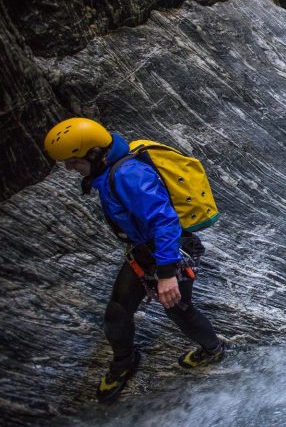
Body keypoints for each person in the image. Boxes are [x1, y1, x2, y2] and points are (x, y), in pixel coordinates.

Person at [43, 117, 224, 404]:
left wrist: (166, 273)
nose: (69, 168)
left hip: (167, 254)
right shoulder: (108, 169)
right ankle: (123, 362)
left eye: (73, 161)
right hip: (144, 253)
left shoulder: (129, 175)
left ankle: (213, 349)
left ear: (93, 153)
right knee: (117, 311)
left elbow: (164, 222)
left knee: (179, 311)